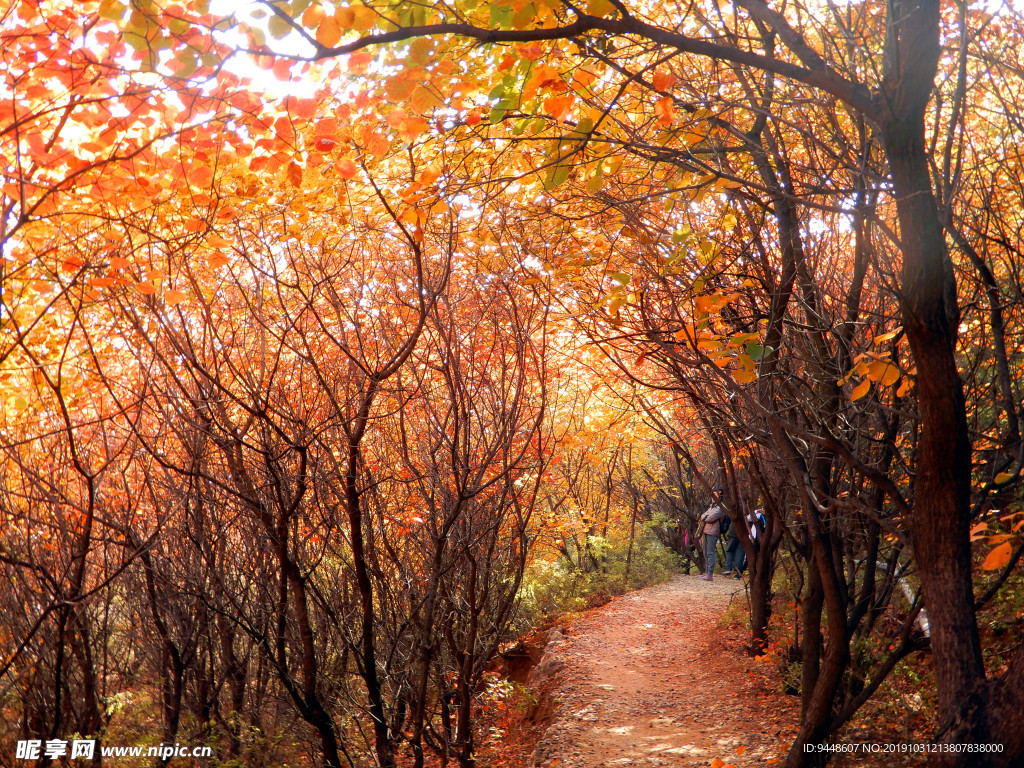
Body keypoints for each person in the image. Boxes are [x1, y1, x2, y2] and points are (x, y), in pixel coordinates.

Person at [697, 488, 727, 581]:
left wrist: (706, 517)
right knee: (706, 552)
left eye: (715, 495)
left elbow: (709, 518)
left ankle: (710, 574)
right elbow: (703, 516)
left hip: (713, 531)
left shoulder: (720, 507)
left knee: (710, 553)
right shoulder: (712, 506)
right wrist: (706, 516)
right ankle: (706, 572)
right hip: (706, 531)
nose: (713, 497)